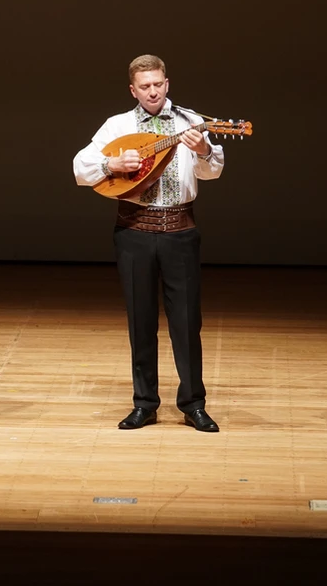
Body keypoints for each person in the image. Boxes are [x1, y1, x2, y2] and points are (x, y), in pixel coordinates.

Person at [73, 54, 225, 433]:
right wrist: (112, 166)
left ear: (167, 83)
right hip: (134, 232)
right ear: (133, 89)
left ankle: (193, 404)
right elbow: (80, 167)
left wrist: (204, 150)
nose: (153, 91)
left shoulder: (191, 122)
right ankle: (145, 404)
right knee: (140, 321)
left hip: (180, 231)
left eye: (158, 84)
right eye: (145, 86)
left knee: (187, 323)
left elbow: (213, 171)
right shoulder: (118, 126)